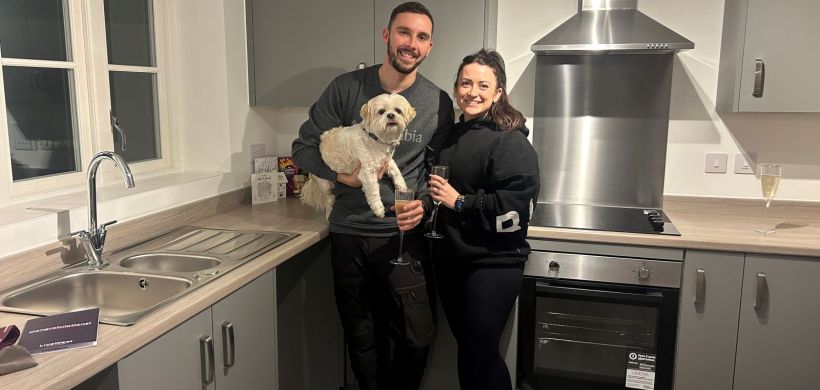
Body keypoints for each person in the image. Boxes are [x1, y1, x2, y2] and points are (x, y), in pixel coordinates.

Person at [291, 2, 454, 389]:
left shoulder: (437, 103)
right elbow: (303, 149)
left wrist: (425, 204)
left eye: (421, 37)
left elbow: (437, 171)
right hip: (349, 235)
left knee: (416, 337)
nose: (410, 43)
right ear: (387, 35)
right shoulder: (347, 88)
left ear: (429, 47)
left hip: (403, 238)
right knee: (362, 337)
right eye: (403, 32)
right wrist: (342, 177)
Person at [427, 49, 540, 390]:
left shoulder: (509, 141)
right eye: (465, 83)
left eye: (482, 84)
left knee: (480, 351)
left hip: (493, 262)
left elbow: (516, 210)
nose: (471, 92)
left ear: (498, 91)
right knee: (469, 351)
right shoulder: (451, 135)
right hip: (451, 259)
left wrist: (459, 202)